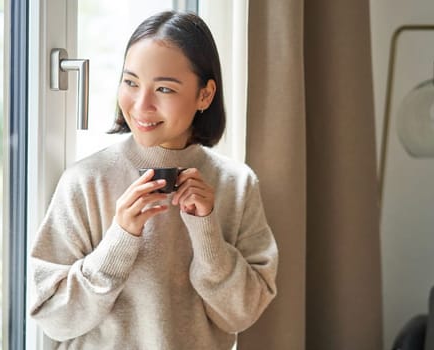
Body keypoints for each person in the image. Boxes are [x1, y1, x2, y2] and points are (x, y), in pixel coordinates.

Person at [28, 10, 278, 349]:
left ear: (205, 95)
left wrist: (207, 233)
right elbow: (54, 318)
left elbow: (242, 314)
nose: (141, 105)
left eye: (163, 88)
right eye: (131, 83)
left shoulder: (237, 185)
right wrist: (119, 240)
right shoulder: (85, 182)